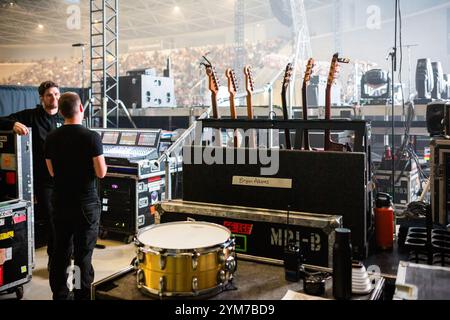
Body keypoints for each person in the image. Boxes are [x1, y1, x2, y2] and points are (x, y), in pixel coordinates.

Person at [44, 92, 107, 300]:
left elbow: (52, 171)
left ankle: (60, 295)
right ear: (81, 109)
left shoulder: (51, 137)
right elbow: (101, 172)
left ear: (61, 112)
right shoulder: (91, 137)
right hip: (85, 205)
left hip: (61, 202)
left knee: (60, 252)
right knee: (82, 255)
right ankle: (81, 296)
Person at [0, 81, 64, 262]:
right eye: (50, 95)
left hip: (65, 180)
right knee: (52, 220)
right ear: (42, 98)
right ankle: (55, 260)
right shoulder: (31, 116)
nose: (54, 98)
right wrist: (12, 125)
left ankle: (65, 253)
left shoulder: (65, 116)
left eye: (57, 94)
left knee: (65, 219)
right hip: (44, 181)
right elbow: (2, 119)